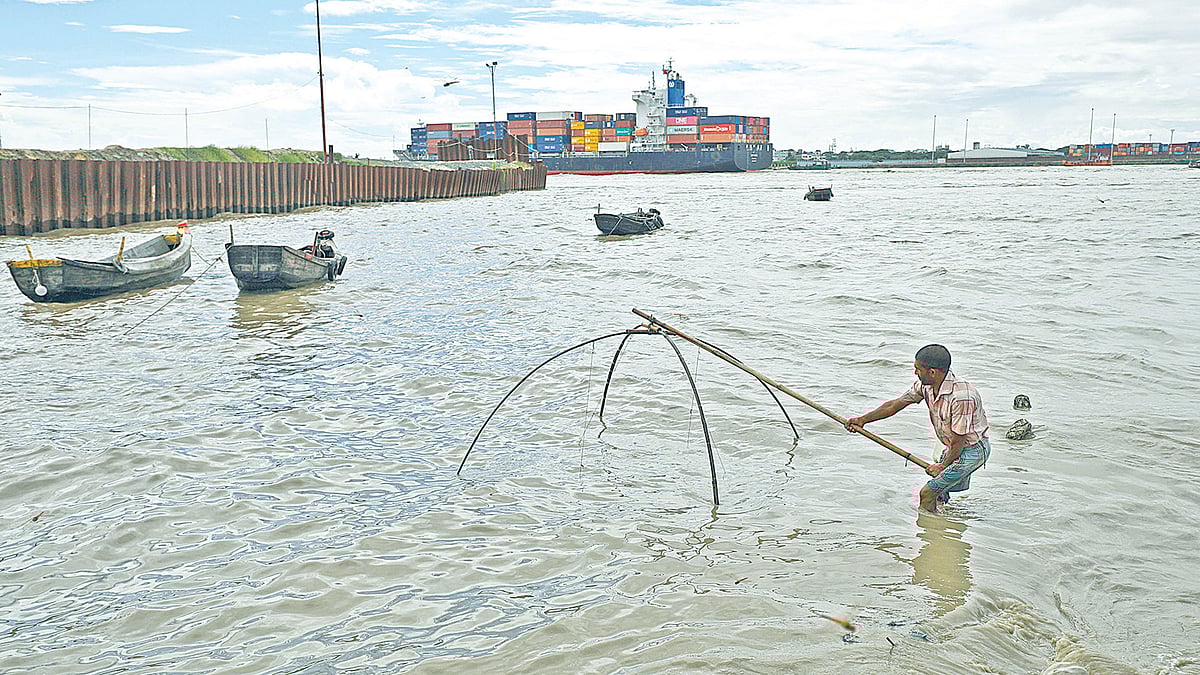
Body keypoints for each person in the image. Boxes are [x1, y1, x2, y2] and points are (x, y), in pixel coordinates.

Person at [844, 344, 990, 513]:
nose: (915, 373)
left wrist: (943, 465)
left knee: (927, 492)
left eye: (918, 369)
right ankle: (944, 526)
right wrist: (862, 420)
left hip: (972, 449)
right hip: (953, 445)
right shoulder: (925, 386)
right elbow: (894, 405)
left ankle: (930, 530)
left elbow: (959, 439)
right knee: (940, 492)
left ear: (932, 372)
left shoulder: (962, 396)